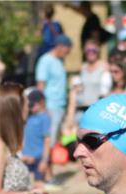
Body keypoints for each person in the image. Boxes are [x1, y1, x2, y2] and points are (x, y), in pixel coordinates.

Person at [35, 34, 72, 181]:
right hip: (50, 106)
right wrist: (42, 108)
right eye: (68, 50)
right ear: (60, 47)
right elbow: (40, 86)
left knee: (54, 141)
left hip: (59, 106)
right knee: (48, 142)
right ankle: (47, 175)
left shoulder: (59, 61)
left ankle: (49, 174)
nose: (68, 53)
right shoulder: (45, 61)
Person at [21, 89, 51, 179]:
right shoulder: (29, 117)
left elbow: (47, 140)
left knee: (39, 185)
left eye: (32, 105)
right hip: (26, 157)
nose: (30, 107)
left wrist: (44, 161)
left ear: (41, 103)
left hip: (38, 158)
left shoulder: (44, 118)